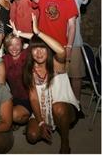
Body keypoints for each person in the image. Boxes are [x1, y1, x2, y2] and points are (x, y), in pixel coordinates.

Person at [22, 15, 79, 154]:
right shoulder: (30, 70)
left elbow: (60, 51)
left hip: (64, 108)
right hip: (43, 110)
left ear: (48, 50)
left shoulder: (57, 64)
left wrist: (38, 32)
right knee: (32, 136)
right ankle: (42, 124)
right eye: (35, 49)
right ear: (31, 52)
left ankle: (65, 141)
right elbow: (34, 98)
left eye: (43, 48)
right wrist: (40, 122)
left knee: (58, 108)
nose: (39, 52)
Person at [58, 0, 92, 113]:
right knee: (57, 77)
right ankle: (59, 104)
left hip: (75, 43)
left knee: (76, 77)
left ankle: (76, 105)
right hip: (56, 44)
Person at [3, 32, 32, 125]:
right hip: (13, 97)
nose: (14, 48)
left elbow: (38, 39)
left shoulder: (27, 54)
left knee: (14, 115)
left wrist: (20, 33)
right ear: (7, 46)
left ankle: (31, 118)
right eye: (11, 45)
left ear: (22, 45)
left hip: (30, 98)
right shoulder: (5, 59)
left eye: (17, 44)